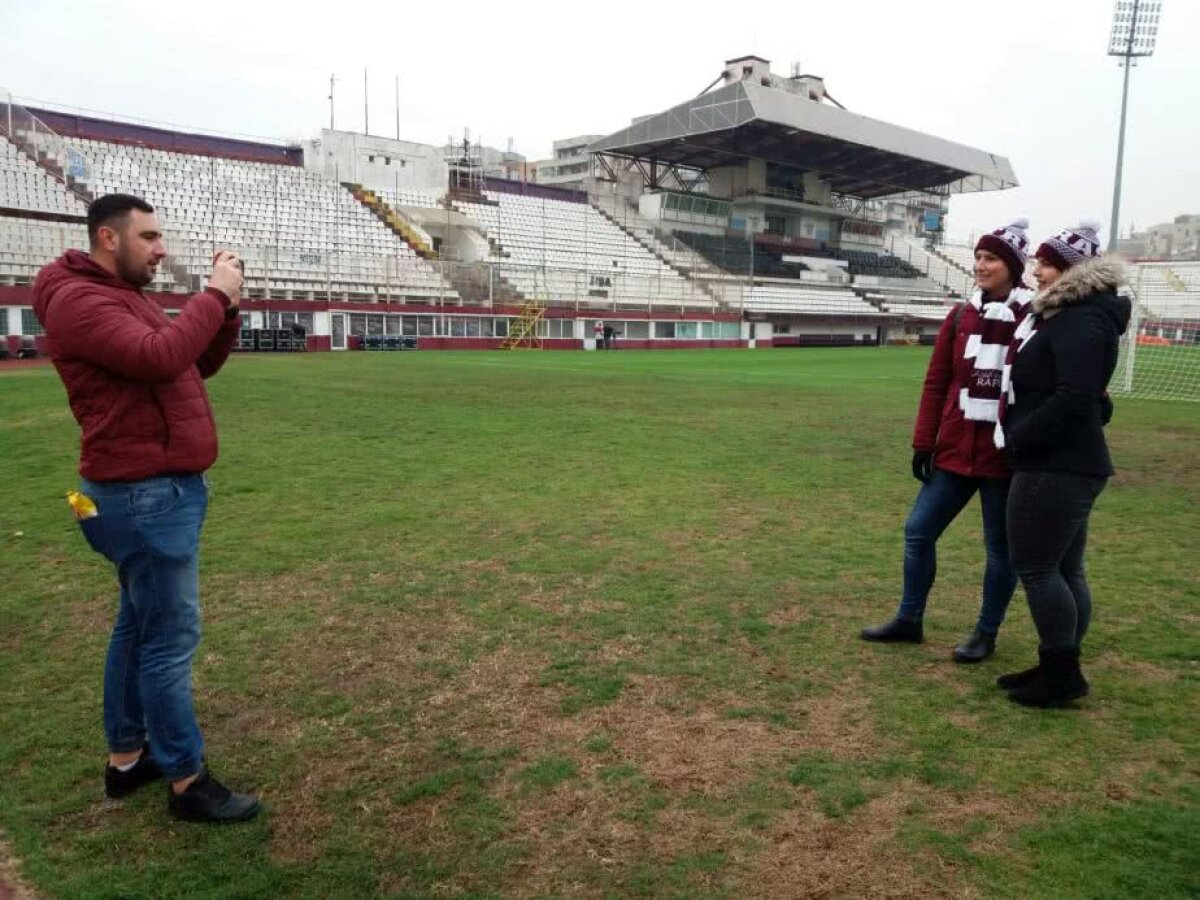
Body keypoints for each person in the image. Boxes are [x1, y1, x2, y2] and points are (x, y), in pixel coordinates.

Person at [33, 194, 261, 822]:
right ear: (109, 238)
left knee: (137, 628)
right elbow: (159, 356)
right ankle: (187, 781)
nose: (162, 249)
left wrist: (228, 312)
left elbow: (192, 362)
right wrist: (211, 295)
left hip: (150, 489)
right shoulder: (84, 300)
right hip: (144, 492)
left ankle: (129, 757)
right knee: (168, 639)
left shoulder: (121, 295)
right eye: (151, 237)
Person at [861, 220, 1034, 662]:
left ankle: (985, 632)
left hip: (1004, 455)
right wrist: (924, 442)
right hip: (955, 451)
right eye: (977, 257)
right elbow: (937, 383)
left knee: (1000, 551)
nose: (980, 265)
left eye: (990, 258)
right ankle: (909, 618)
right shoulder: (960, 316)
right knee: (918, 532)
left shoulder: (1033, 317)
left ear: (1012, 266)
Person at [995, 222, 1130, 707]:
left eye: (1047, 264)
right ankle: (1058, 660)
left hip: (1056, 465)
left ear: (1074, 271)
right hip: (1068, 461)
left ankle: (1062, 673)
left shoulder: (1082, 320)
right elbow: (1090, 396)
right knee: (1065, 568)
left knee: (1035, 566)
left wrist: (1020, 440)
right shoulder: (1073, 316)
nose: (1036, 271)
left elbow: (1075, 397)